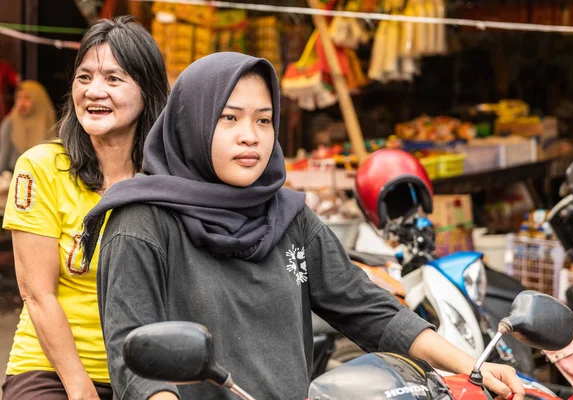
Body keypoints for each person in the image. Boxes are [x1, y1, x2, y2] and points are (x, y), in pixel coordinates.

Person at [83, 52, 525, 400]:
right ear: (190, 124)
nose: (250, 135)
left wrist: (473, 367)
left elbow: (370, 309)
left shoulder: (286, 216)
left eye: (264, 119)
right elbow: (134, 361)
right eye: (229, 118)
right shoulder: (140, 224)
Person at [1, 16, 169, 400]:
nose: (94, 91)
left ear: (148, 90)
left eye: (113, 79)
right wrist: (79, 387)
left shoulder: (167, 180)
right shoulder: (41, 168)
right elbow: (37, 294)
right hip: (51, 371)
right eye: (84, 77)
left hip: (149, 373)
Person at [0, 80, 56, 173]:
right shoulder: (10, 123)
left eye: (27, 98)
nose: (21, 103)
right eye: (18, 97)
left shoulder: (48, 121)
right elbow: (2, 160)